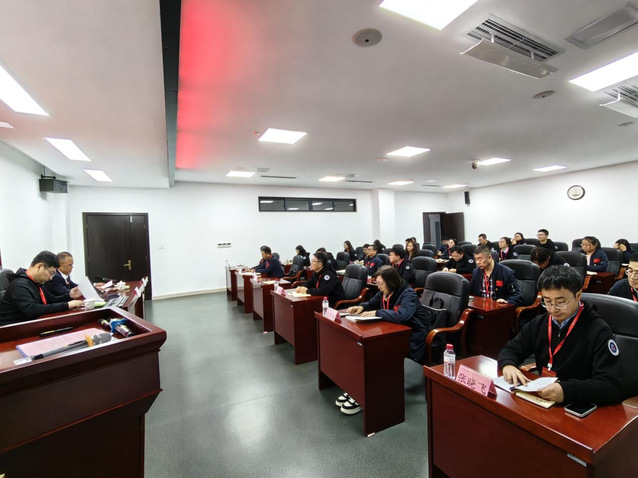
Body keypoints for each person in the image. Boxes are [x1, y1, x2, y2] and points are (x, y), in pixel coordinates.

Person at [498, 266, 623, 405]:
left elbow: (611, 386)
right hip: (544, 398)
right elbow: (511, 349)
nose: (553, 309)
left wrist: (567, 391)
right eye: (547, 301)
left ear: (578, 295)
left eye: (561, 302)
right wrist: (508, 365)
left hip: (577, 404)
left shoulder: (598, 330)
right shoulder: (540, 323)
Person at [340, 266, 433, 414]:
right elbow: (371, 303)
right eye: (377, 283)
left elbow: (402, 316)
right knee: (364, 350)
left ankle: (366, 395)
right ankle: (358, 389)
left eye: (380, 283)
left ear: (390, 282)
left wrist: (377, 312)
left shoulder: (408, 294)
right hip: (392, 332)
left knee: (376, 354)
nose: (378, 287)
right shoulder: (385, 291)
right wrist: (361, 307)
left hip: (413, 336)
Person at [0, 251, 84, 326]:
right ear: (39, 267)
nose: (51, 278)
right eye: (51, 273)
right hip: (11, 331)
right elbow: (33, 310)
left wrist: (70, 295)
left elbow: (51, 300)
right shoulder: (19, 285)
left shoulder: (37, 282)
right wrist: (67, 305)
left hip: (31, 325)